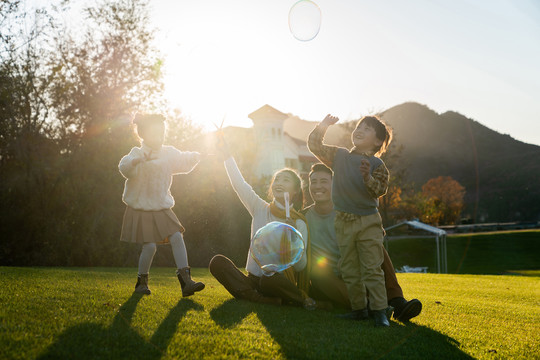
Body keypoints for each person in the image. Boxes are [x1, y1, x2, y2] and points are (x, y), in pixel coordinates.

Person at [209, 135, 326, 309]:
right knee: (217, 262)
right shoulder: (259, 208)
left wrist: (294, 238)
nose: (279, 182)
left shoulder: (298, 222)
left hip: (276, 282)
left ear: (295, 190)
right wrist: (227, 155)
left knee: (269, 279)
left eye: (285, 180)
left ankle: (292, 299)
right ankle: (263, 299)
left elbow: (301, 267)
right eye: (277, 179)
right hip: (252, 279)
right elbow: (239, 184)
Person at [304, 163, 422, 322]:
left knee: (374, 245)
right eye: (314, 181)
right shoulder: (303, 218)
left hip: (355, 268)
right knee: (318, 274)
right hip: (329, 278)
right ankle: (370, 307)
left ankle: (397, 301)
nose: (318, 186)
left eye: (323, 181)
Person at [308, 114, 393, 327]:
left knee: (372, 268)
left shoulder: (377, 165)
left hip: (368, 222)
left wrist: (367, 178)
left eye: (367, 128)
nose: (359, 130)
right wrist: (324, 125)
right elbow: (314, 145)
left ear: (377, 142)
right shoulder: (339, 155)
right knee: (349, 268)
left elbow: (379, 190)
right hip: (343, 221)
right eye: (359, 126)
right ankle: (358, 310)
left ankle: (380, 311)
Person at [118, 114, 205, 297]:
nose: (160, 136)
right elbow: (124, 167)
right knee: (149, 246)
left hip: (161, 206)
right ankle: (142, 282)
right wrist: (135, 162)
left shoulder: (168, 153)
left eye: (162, 133)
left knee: (177, 237)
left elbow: (182, 160)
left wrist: (196, 156)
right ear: (143, 134)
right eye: (155, 133)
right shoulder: (137, 153)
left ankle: (186, 280)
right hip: (141, 207)